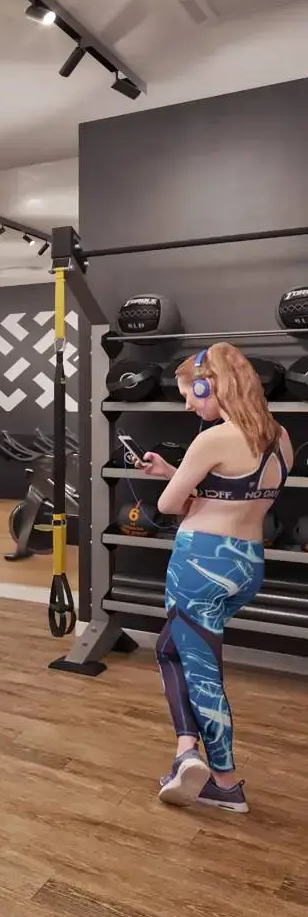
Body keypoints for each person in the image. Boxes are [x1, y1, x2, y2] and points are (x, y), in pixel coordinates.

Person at [137, 342, 290, 815]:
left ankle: (224, 784)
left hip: (201, 564)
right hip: (246, 564)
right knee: (170, 649)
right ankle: (186, 750)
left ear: (211, 386)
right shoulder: (279, 435)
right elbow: (230, 493)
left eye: (190, 394)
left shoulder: (213, 438)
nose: (188, 405)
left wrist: (171, 481)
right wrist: (174, 471)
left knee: (203, 673)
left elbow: (168, 505)